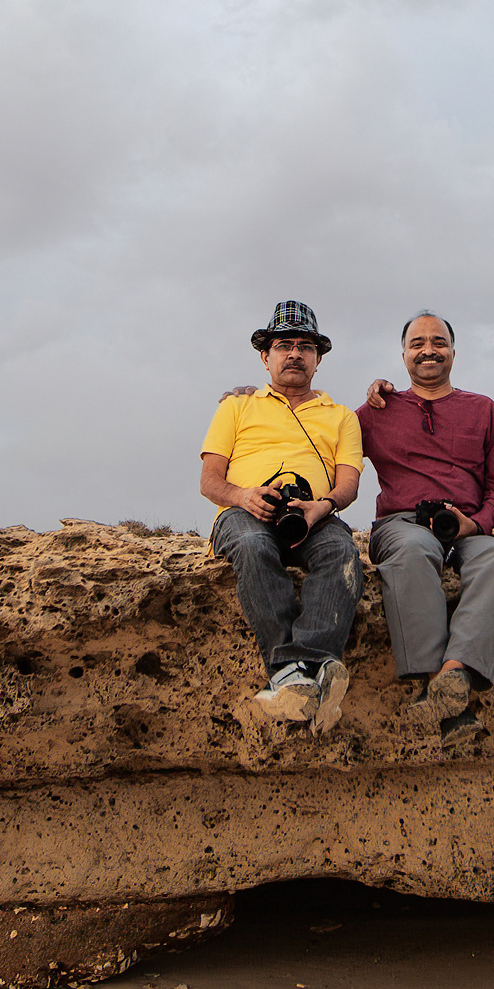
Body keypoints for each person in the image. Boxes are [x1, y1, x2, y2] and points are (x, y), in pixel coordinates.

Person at [355, 312, 494, 747]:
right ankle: (434, 683)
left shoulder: (483, 409)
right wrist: (245, 398)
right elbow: (318, 436)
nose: (428, 350)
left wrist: (477, 523)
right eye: (417, 343)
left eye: (438, 342)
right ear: (403, 355)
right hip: (401, 522)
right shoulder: (376, 411)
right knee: (413, 550)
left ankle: (452, 676)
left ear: (453, 351)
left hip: (466, 524)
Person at [200, 301, 364, 731]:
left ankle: (297, 673)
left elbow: (348, 485)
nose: (294, 354)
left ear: (318, 359)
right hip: (244, 513)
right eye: (284, 345)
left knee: (342, 554)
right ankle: (299, 674)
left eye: (305, 346)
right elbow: (209, 481)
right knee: (253, 546)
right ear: (265, 356)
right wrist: (243, 496)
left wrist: (321, 507)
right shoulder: (236, 406)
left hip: (314, 514)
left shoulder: (342, 417)